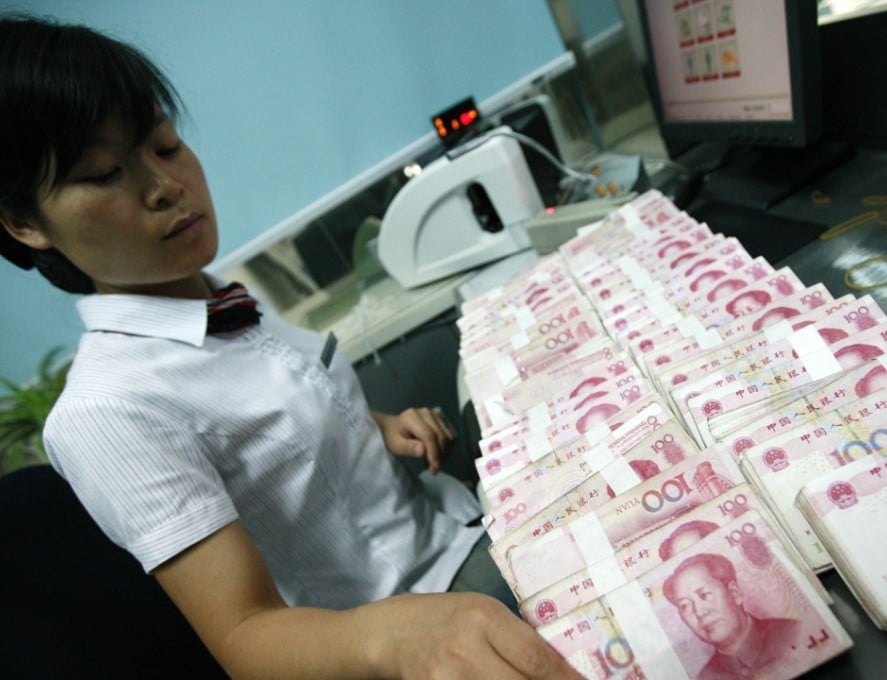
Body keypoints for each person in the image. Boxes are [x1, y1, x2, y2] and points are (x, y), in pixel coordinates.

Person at [0, 15, 580, 680]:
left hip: (467, 530)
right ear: (23, 221)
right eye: (103, 173)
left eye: (164, 144)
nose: (165, 186)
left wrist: (379, 429)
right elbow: (246, 635)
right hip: (418, 620)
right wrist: (389, 638)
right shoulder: (106, 412)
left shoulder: (217, 298)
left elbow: (280, 442)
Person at [662, 553, 800, 680]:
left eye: (705, 595)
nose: (699, 612)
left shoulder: (796, 634)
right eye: (685, 606)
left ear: (734, 593)